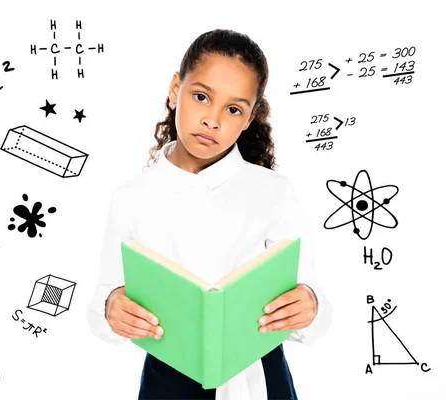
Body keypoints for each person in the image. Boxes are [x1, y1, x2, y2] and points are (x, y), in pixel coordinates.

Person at [86, 29, 332, 400]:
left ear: (249, 117)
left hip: (259, 381)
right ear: (175, 89)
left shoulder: (275, 192)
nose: (212, 120)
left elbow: (311, 298)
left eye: (233, 109)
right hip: (167, 382)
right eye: (201, 97)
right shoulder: (131, 196)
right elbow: (105, 297)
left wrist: (309, 304)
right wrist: (112, 309)